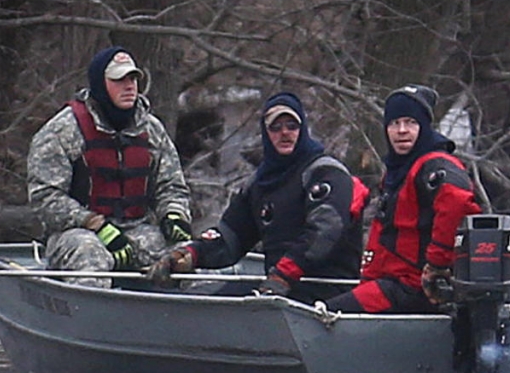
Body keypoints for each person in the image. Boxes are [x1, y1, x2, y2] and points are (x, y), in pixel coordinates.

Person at [150, 91, 368, 303]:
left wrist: (284, 274)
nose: (285, 133)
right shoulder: (259, 184)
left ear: (303, 130)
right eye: (276, 127)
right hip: (278, 289)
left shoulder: (326, 173)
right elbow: (230, 237)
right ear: (266, 132)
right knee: (205, 302)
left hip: (326, 294)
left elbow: (325, 232)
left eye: (292, 126)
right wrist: (191, 254)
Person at [27, 46, 192, 287]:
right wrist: (96, 224)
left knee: (188, 254)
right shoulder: (61, 131)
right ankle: (90, 318)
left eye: (133, 79)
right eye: (119, 80)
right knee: (88, 252)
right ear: (100, 84)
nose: (129, 86)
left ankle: (196, 315)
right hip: (77, 233)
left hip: (137, 230)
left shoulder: (152, 130)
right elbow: (45, 198)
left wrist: (174, 214)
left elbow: (171, 186)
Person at [323, 84, 481, 313]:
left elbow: (458, 204)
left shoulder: (434, 165)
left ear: (425, 127)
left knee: (327, 315)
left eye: (411, 122)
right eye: (394, 124)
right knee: (326, 309)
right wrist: (368, 279)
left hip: (415, 288)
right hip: (390, 283)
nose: (402, 130)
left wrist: (437, 264)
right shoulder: (398, 171)